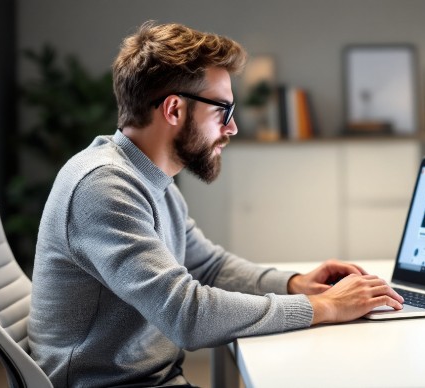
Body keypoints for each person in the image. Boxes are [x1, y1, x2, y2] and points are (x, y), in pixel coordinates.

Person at [28, 21, 403, 387]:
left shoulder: (150, 179)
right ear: (174, 110)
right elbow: (187, 316)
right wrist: (326, 307)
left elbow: (208, 266)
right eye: (222, 109)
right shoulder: (105, 186)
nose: (233, 127)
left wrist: (295, 284)